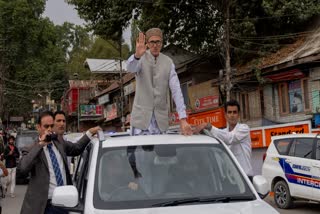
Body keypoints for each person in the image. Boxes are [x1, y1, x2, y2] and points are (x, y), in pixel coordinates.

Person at [18, 111, 101, 214]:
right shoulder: (31, 149)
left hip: (64, 203)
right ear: (38, 127)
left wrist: (89, 132)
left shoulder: (59, 142)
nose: (49, 129)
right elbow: (22, 169)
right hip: (46, 206)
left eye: (51, 126)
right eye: (46, 126)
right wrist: (41, 145)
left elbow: (76, 148)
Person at [127, 28, 192, 136]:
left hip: (160, 122)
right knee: (141, 152)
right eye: (152, 42)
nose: (155, 45)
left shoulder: (168, 62)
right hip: (141, 121)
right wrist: (137, 56)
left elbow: (176, 90)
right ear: (147, 43)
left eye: (158, 42)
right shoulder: (140, 59)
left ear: (162, 43)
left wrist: (182, 118)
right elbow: (130, 68)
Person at [193, 100, 254, 181]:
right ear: (225, 115)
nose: (232, 115)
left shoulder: (244, 128)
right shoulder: (223, 132)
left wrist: (209, 126)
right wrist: (196, 129)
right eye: (229, 112)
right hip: (228, 179)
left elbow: (230, 138)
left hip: (245, 178)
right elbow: (214, 138)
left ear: (238, 115)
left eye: (234, 112)